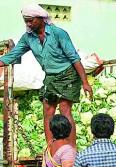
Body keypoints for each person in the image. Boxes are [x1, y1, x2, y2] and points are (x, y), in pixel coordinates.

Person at [0, 5, 92, 147]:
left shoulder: (58, 33)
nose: (29, 24)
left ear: (41, 18)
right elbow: (12, 55)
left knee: (64, 110)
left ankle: (70, 148)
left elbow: (74, 58)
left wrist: (85, 82)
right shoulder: (28, 38)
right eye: (26, 21)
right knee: (48, 110)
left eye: (31, 20)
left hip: (68, 74)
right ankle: (51, 148)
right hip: (50, 76)